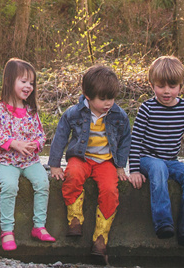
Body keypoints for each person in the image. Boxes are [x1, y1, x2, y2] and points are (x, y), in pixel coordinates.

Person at [128, 55, 184, 251]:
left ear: (181, 86)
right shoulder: (147, 108)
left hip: (171, 160)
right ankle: (163, 223)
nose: (166, 91)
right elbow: (134, 141)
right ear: (152, 85)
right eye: (161, 86)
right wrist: (134, 170)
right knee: (158, 168)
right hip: (148, 159)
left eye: (172, 86)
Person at [48, 64, 131, 260]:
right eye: (102, 99)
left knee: (110, 189)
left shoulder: (119, 116)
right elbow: (60, 137)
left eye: (111, 98)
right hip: (81, 158)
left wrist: (120, 166)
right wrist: (54, 164)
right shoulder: (73, 113)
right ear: (87, 96)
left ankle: (101, 238)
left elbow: (125, 141)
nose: (108, 103)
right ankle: (75, 219)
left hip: (105, 162)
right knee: (73, 175)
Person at [0, 58, 56, 251]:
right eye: (23, 81)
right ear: (9, 81)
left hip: (29, 161)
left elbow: (41, 135)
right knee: (9, 186)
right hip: (6, 161)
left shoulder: (31, 111)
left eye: (31, 83)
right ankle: (7, 231)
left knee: (42, 183)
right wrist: (14, 143)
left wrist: (35, 144)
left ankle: (39, 226)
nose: (28, 86)